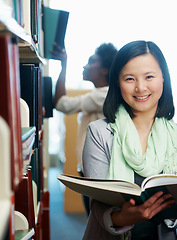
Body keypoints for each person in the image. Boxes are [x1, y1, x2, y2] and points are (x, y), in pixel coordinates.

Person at [81, 40, 177, 240]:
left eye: (149, 77)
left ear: (163, 78)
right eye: (129, 79)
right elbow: (97, 206)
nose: (140, 88)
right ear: (117, 82)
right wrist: (123, 217)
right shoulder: (99, 133)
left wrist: (167, 213)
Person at [52, 42, 118, 216]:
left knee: (97, 221)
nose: (85, 65)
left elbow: (61, 104)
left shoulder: (103, 95)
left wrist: (63, 65)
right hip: (92, 172)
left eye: (91, 62)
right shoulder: (101, 94)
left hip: (96, 175)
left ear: (105, 70)